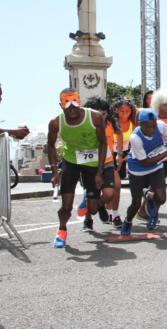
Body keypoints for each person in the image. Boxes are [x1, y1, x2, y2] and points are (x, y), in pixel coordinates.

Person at [47, 88, 113, 247]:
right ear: (61, 105)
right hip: (71, 161)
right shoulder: (56, 122)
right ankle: (62, 230)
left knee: (93, 209)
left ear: (79, 102)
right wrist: (55, 171)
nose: (71, 109)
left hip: (92, 163)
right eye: (67, 106)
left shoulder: (95, 117)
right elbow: (50, 145)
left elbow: (103, 143)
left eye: (74, 105)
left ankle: (86, 199)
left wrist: (99, 172)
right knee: (66, 206)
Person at [120, 109, 167, 235]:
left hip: (155, 166)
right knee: (136, 203)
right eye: (148, 127)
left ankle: (149, 198)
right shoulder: (135, 138)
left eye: (154, 126)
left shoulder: (160, 126)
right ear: (140, 124)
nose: (151, 130)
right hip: (138, 169)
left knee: (161, 198)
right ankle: (128, 221)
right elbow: (145, 162)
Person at [84, 96, 124, 228]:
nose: (101, 117)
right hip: (90, 163)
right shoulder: (85, 124)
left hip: (107, 162)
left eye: (104, 114)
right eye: (98, 114)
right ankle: (88, 220)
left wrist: (119, 154)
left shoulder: (111, 122)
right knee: (91, 193)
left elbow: (119, 133)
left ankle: (100, 204)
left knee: (109, 193)